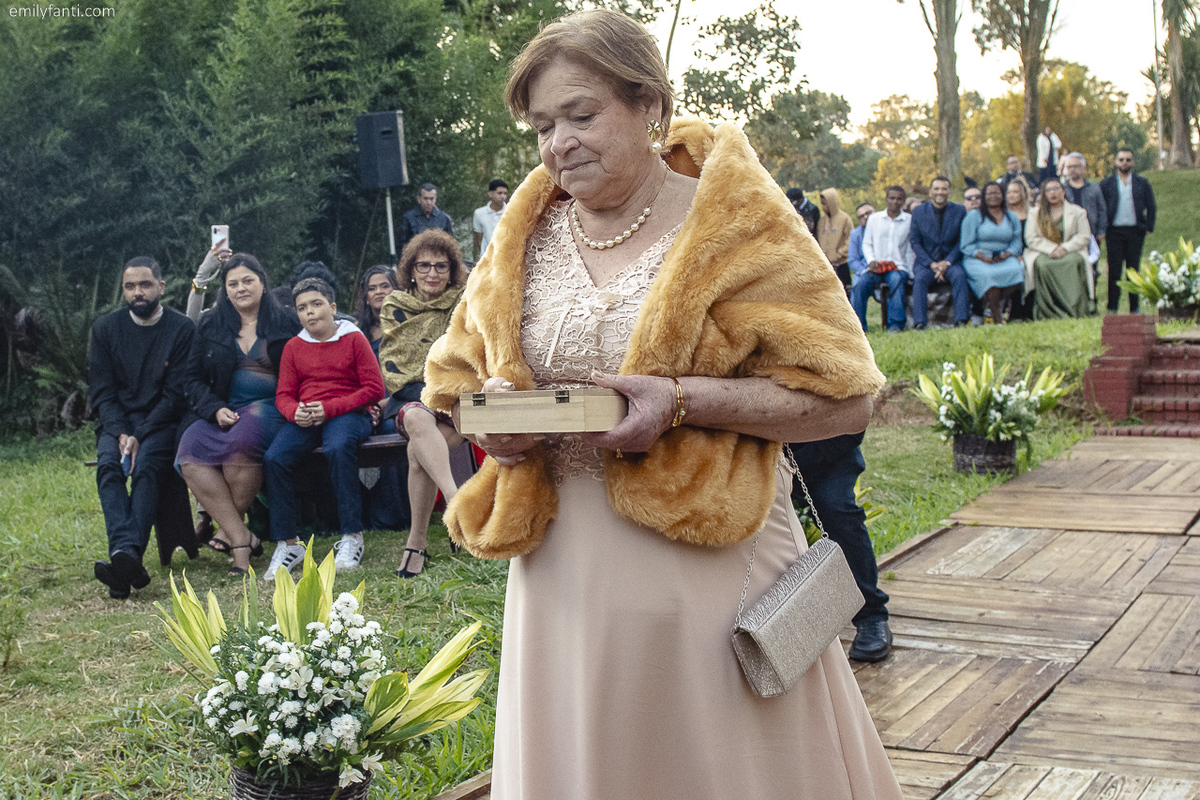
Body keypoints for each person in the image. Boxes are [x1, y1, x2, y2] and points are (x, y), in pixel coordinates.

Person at [422, 10, 902, 798]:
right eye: (542, 125)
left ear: (651, 104)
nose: (558, 143)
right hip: (563, 580)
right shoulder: (523, 235)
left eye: (581, 114)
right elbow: (451, 385)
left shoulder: (736, 221)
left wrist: (680, 401)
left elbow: (847, 399)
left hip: (712, 577)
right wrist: (494, 420)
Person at [176, 254, 301, 575]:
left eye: (248, 281)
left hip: (273, 407)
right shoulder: (211, 324)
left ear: (262, 282)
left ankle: (240, 551)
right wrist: (213, 408)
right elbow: (191, 377)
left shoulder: (287, 322)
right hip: (223, 408)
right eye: (233, 283)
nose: (241, 288)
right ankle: (241, 535)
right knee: (189, 451)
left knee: (243, 441)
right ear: (225, 290)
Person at [262, 278, 386, 577]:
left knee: (337, 446)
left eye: (316, 304)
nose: (310, 312)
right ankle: (290, 543)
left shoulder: (354, 339)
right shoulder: (294, 346)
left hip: (350, 413)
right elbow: (284, 395)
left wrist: (330, 408)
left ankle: (352, 536)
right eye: (303, 308)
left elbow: (374, 388)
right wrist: (295, 413)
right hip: (308, 417)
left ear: (332, 307)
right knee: (274, 458)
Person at [88, 257, 195, 598]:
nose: (138, 292)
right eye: (130, 286)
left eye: (145, 285)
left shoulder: (181, 329)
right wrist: (121, 434)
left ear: (161, 287)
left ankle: (123, 558)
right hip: (116, 423)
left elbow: (175, 394)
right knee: (108, 468)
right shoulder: (105, 329)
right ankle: (128, 553)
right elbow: (102, 393)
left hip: (161, 421)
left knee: (148, 467)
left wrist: (140, 434)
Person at [378, 229, 470, 578]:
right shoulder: (395, 307)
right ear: (411, 270)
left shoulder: (464, 304)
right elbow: (398, 362)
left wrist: (446, 391)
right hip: (410, 396)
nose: (433, 274)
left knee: (419, 454)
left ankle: (416, 545)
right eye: (424, 266)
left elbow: (466, 353)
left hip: (454, 398)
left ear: (451, 270)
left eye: (441, 267)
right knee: (417, 420)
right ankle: (456, 503)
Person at [788, 434, 892, 662]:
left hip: (828, 449)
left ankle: (871, 616)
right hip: (758, 456)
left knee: (836, 510)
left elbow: (854, 424)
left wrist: (798, 464)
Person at [1024, 178, 1092, 319]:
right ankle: (1049, 310)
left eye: (1056, 188)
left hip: (1071, 251)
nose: (1052, 193)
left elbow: (1084, 236)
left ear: (1063, 191)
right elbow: (1031, 238)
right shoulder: (1035, 213)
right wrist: (1052, 249)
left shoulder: (1077, 211)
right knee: (1042, 265)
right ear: (1044, 194)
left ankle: (1075, 308)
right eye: (1048, 190)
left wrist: (1064, 248)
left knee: (1074, 262)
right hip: (1044, 252)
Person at [1100, 148, 1157, 314]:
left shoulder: (1142, 183)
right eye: (1121, 159)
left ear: (1133, 162)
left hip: (1135, 231)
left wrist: (1148, 227)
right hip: (1114, 232)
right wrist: (1102, 229)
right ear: (1116, 162)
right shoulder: (1107, 184)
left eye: (1128, 160)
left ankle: (1134, 307)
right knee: (1114, 270)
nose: (1125, 162)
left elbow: (1151, 205)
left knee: (1133, 270)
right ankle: (1112, 307)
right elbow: (1102, 208)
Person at [910, 176, 969, 328]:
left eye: (944, 189)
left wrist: (947, 262)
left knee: (960, 276)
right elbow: (915, 242)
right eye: (936, 189)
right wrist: (932, 264)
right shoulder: (918, 211)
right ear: (930, 192)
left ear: (949, 192)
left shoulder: (960, 210)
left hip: (951, 261)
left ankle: (961, 320)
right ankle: (920, 322)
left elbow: (961, 241)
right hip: (927, 263)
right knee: (920, 279)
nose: (940, 192)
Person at [962, 182, 1025, 324]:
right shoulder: (974, 216)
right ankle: (997, 318)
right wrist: (982, 256)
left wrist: (1007, 254)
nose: (993, 196)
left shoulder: (1011, 217)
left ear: (1003, 196)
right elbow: (966, 245)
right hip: (977, 258)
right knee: (989, 277)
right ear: (984, 197)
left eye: (997, 193)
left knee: (1017, 271)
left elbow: (1016, 242)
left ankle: (991, 305)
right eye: (989, 193)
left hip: (1004, 257)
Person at [853, 186, 912, 333]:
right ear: (886, 199)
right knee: (860, 286)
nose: (895, 202)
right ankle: (859, 326)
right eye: (892, 198)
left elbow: (911, 249)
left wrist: (910, 272)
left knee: (895, 280)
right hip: (876, 266)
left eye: (899, 199)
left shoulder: (909, 220)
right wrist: (871, 260)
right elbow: (867, 243)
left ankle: (895, 324)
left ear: (903, 201)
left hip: (898, 267)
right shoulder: (874, 219)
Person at [1062, 153, 1108, 243]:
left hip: (1091, 234)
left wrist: (1101, 231)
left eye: (1075, 166)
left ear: (1084, 168)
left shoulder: (1094, 188)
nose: (1072, 169)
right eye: (1069, 167)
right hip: (1068, 236)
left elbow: (1102, 210)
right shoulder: (1062, 189)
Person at [353, 265, 399, 354]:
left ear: (397, 290)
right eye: (372, 289)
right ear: (366, 297)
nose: (378, 292)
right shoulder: (358, 330)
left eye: (385, 286)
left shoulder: (409, 322)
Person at [818, 187, 855, 289]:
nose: (823, 207)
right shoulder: (821, 221)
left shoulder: (845, 219)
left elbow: (850, 239)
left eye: (825, 204)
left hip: (841, 264)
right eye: (821, 203)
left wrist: (839, 254)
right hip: (825, 265)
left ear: (832, 202)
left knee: (844, 293)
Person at [400, 183, 455, 251]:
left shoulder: (445, 218)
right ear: (419, 199)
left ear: (435, 199)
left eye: (431, 199)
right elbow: (403, 245)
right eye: (425, 199)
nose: (429, 202)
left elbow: (451, 245)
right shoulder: (409, 217)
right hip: (416, 258)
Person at [473, 179, 509, 262]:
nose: (503, 196)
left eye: (505, 193)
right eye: (499, 193)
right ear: (490, 194)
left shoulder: (511, 212)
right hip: (487, 259)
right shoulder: (479, 213)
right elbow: (479, 238)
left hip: (506, 259)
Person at [847, 202, 875, 288]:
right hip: (864, 270)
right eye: (861, 216)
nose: (865, 217)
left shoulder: (885, 227)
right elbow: (852, 259)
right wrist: (864, 271)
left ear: (875, 212)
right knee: (858, 286)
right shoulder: (855, 234)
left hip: (884, 268)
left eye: (868, 213)